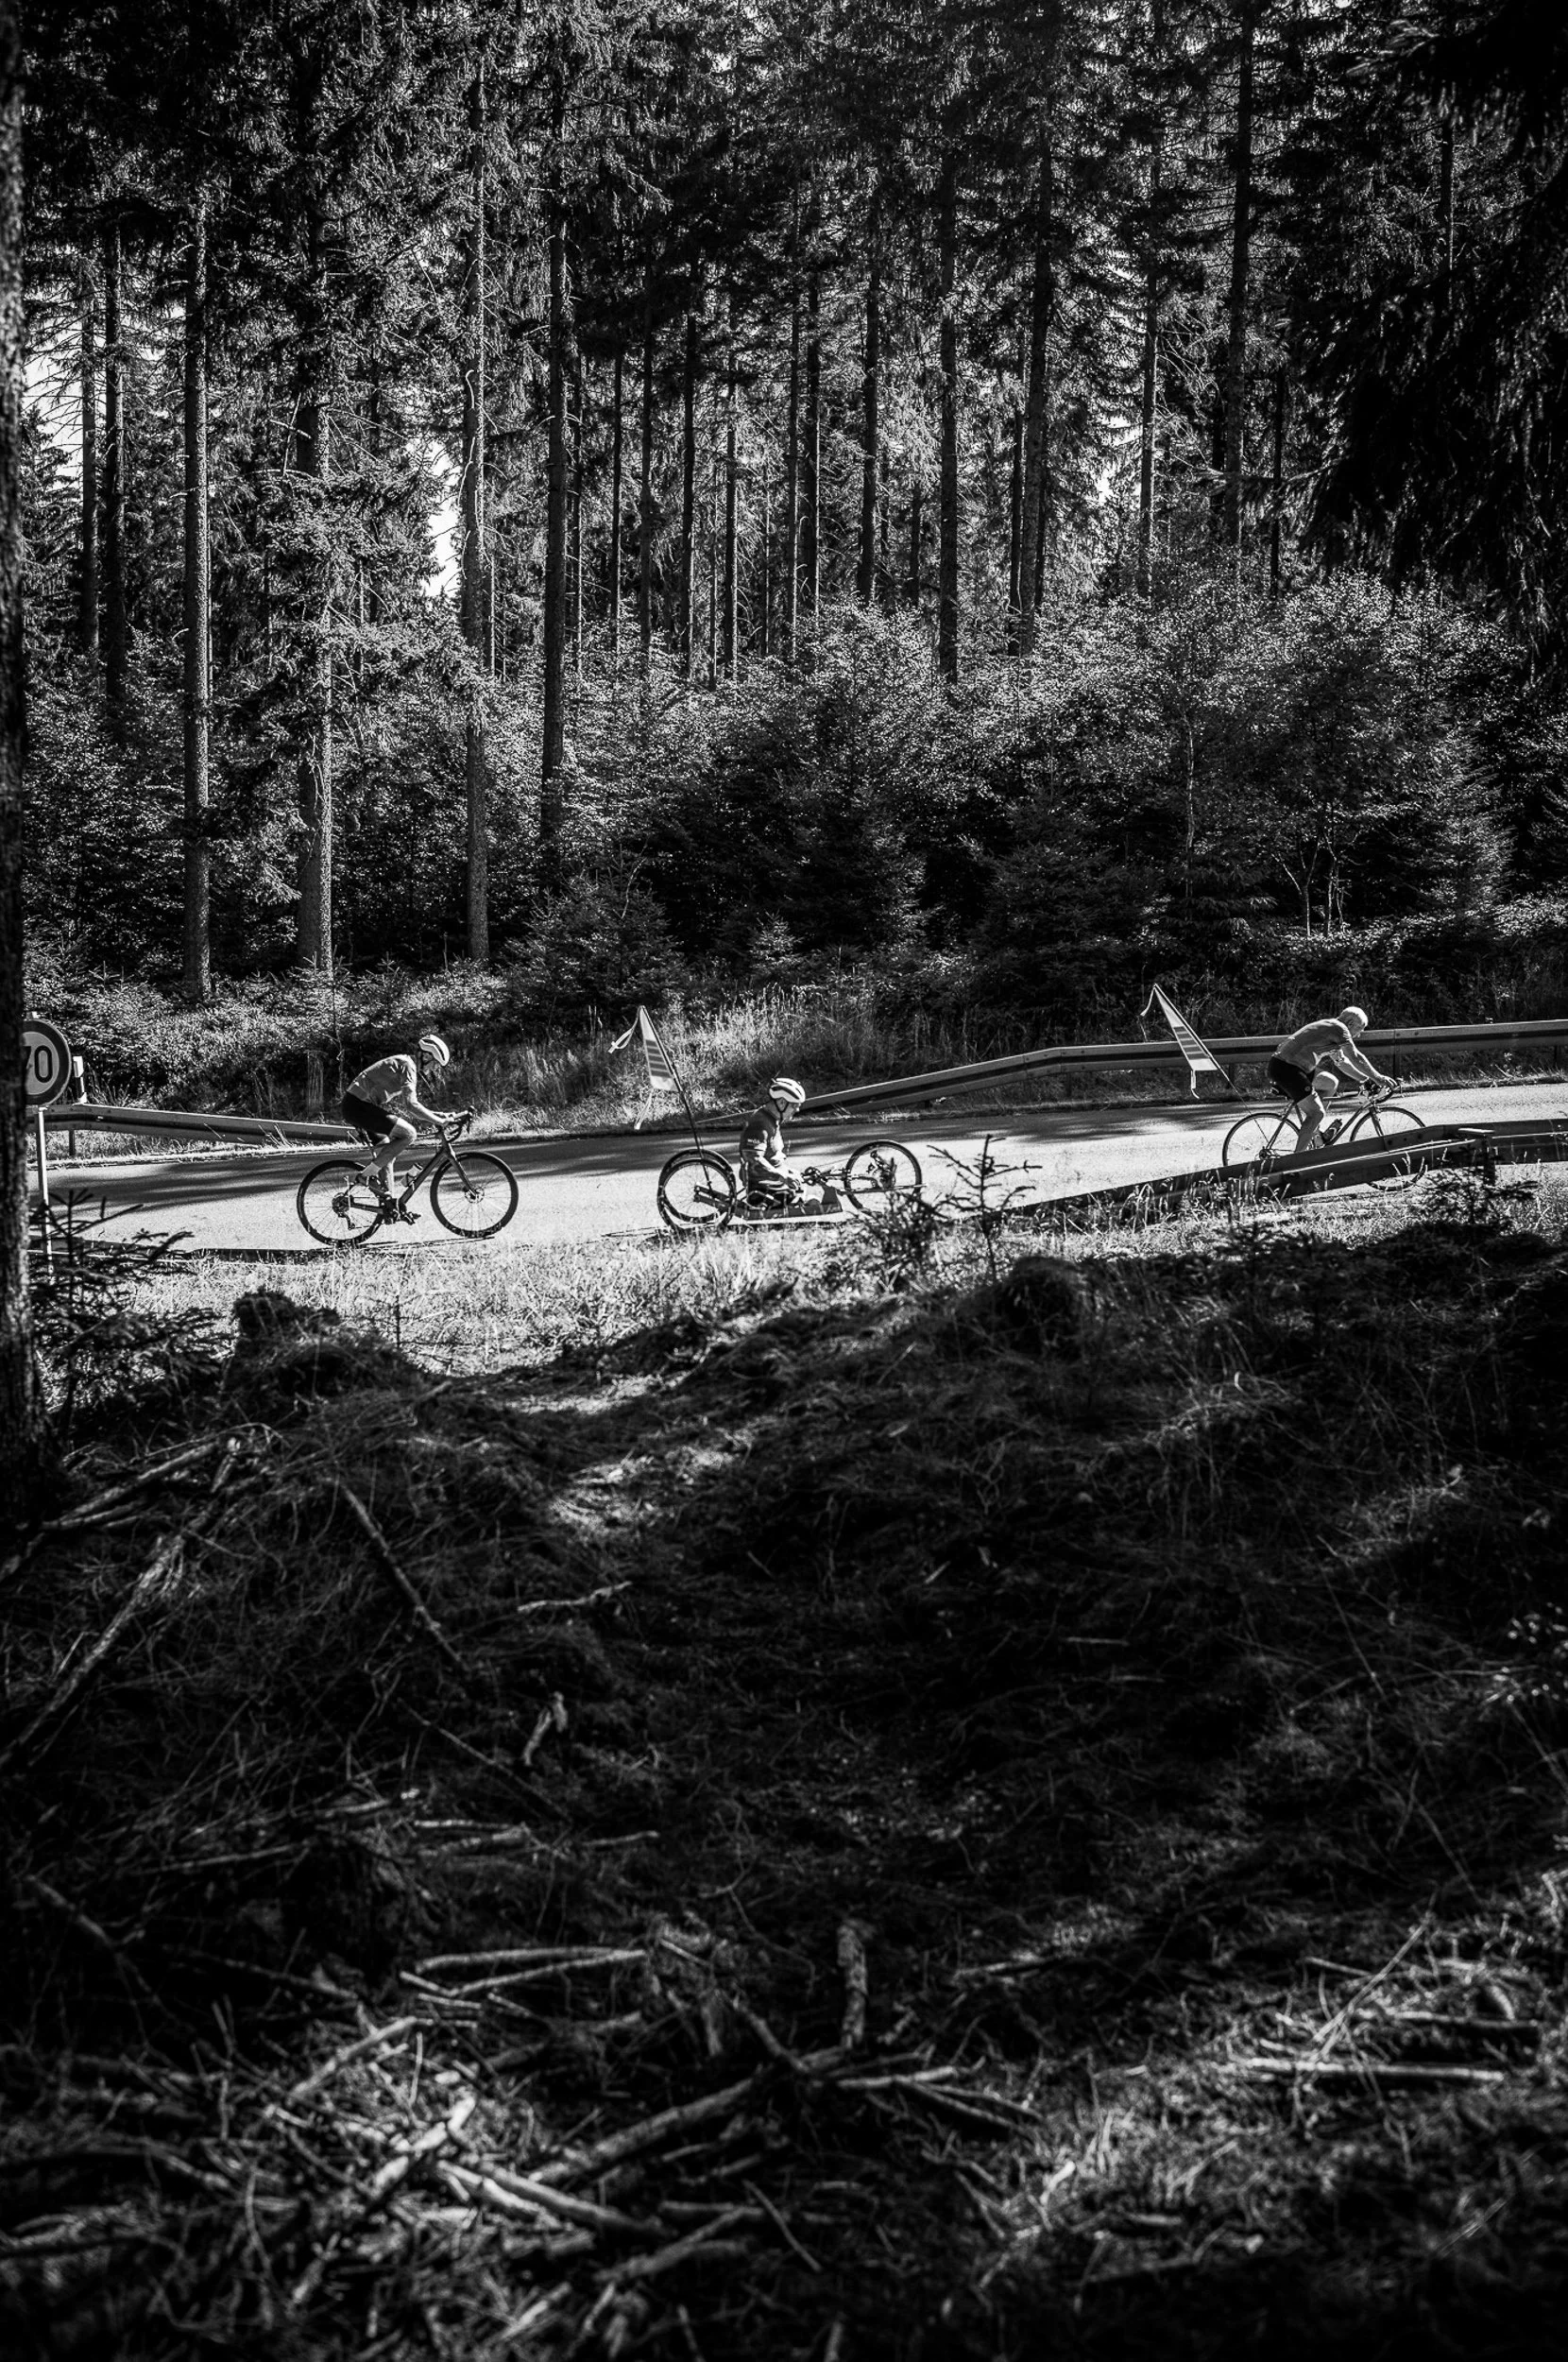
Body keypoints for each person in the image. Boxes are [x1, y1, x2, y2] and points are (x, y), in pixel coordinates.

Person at [341, 1032, 456, 1214]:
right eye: (435, 1063)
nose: (434, 1069)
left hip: (357, 1105)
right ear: (425, 1056)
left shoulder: (406, 1064)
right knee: (409, 1134)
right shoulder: (408, 1066)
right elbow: (411, 1105)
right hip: (358, 1105)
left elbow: (414, 1105)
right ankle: (365, 1177)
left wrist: (441, 1115)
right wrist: (439, 1120)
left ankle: (389, 1207)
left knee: (387, 1154)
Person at [1268, 1006, 1393, 1152]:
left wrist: (1365, 1080)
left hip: (1295, 1067)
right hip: (1287, 1069)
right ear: (1350, 1023)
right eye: (1360, 1029)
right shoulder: (1338, 1028)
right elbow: (1356, 1056)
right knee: (1317, 1113)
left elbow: (1343, 1062)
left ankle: (1315, 1134)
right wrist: (1378, 1078)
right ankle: (1297, 1161)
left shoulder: (1331, 1031)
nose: (1358, 1035)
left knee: (1330, 1082)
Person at [738, 1074, 829, 1211]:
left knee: (808, 1187)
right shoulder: (760, 1124)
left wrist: (789, 1172)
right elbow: (753, 1159)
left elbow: (773, 1157)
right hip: (762, 1191)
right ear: (781, 1102)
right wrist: (783, 1176)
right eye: (794, 1106)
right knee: (813, 1203)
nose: (797, 1110)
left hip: (773, 1183)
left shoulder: (772, 1119)